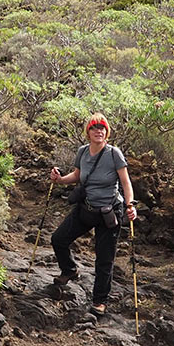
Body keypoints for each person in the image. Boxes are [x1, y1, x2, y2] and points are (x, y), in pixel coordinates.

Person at [48, 112, 137, 315]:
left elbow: (125, 183)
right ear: (88, 132)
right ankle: (70, 270)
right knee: (58, 239)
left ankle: (100, 301)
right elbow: (78, 176)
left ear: (107, 133)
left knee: (104, 260)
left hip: (109, 212)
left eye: (102, 128)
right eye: (94, 127)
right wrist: (60, 180)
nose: (99, 130)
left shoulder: (114, 154)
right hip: (86, 208)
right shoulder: (83, 152)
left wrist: (131, 206)